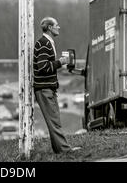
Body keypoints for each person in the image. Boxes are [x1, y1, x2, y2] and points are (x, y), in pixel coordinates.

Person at [33, 17, 81, 154]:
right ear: (49, 27)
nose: (59, 27)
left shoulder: (48, 43)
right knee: (54, 121)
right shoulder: (43, 44)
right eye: (56, 25)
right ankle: (65, 150)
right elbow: (42, 67)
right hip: (44, 88)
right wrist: (60, 62)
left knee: (54, 120)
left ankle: (58, 149)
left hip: (48, 87)